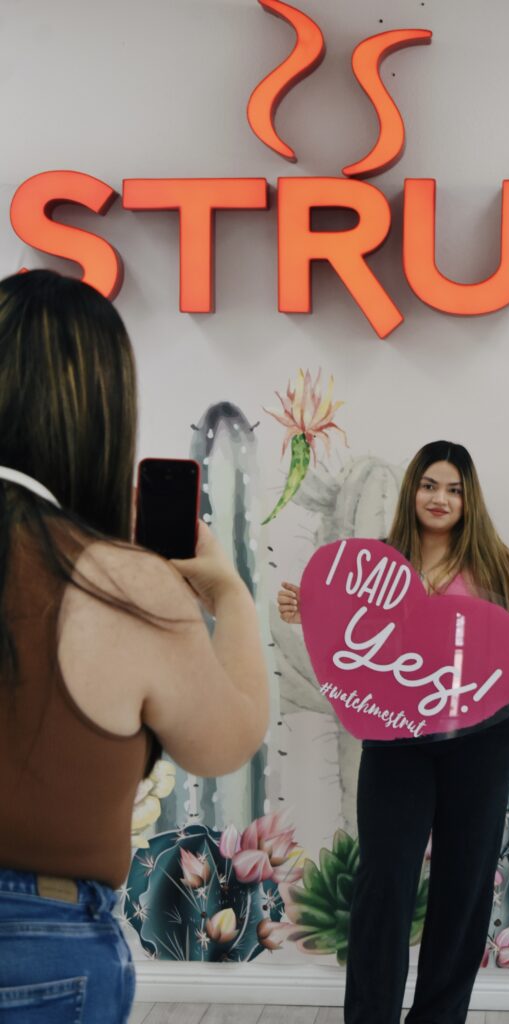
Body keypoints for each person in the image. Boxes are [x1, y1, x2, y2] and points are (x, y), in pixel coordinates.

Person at [0, 270, 269, 1023]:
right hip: (38, 944)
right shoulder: (118, 582)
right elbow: (225, 739)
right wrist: (227, 592)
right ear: (100, 414)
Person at [277, 440, 509, 1024]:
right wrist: (309, 608)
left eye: (453, 488)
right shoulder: (374, 561)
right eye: (430, 485)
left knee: (465, 885)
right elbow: (345, 627)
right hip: (396, 741)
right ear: (412, 490)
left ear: (468, 498)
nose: (440, 498)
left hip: (482, 741)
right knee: (385, 884)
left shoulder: (499, 562)